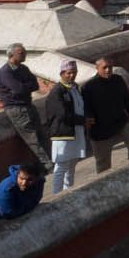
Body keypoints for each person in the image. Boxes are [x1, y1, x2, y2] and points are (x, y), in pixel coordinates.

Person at [0, 42, 50, 170]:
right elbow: (18, 89)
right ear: (11, 55)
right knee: (32, 139)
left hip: (28, 105)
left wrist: (23, 88)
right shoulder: (5, 72)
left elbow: (35, 85)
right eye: (21, 53)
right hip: (16, 109)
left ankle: (49, 162)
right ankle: (47, 165)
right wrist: (24, 87)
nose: (24, 54)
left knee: (41, 135)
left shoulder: (23, 68)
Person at [41, 60, 90, 194]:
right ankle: (57, 195)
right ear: (62, 73)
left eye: (74, 72)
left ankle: (68, 191)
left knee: (72, 165)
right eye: (69, 73)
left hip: (76, 131)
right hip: (63, 134)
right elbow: (61, 114)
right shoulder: (57, 91)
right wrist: (82, 120)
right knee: (61, 166)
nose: (72, 75)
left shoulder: (75, 88)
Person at [84, 57, 129, 170]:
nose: (108, 70)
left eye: (110, 67)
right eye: (104, 67)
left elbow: (126, 98)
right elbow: (86, 107)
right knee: (103, 163)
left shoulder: (118, 80)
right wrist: (89, 118)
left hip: (120, 122)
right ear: (97, 68)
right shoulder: (89, 86)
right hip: (100, 129)